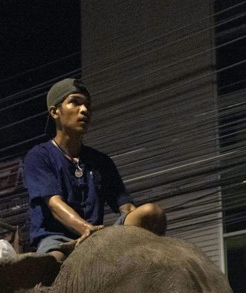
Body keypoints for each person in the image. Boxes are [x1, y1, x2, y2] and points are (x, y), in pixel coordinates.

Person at [23, 78, 166, 260]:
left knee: (152, 213)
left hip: (99, 236)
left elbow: (126, 207)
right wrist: (86, 229)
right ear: (55, 112)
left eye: (88, 105)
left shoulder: (101, 161)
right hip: (57, 239)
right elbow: (54, 205)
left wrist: (137, 227)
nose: (84, 110)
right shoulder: (38, 156)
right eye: (75, 102)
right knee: (53, 262)